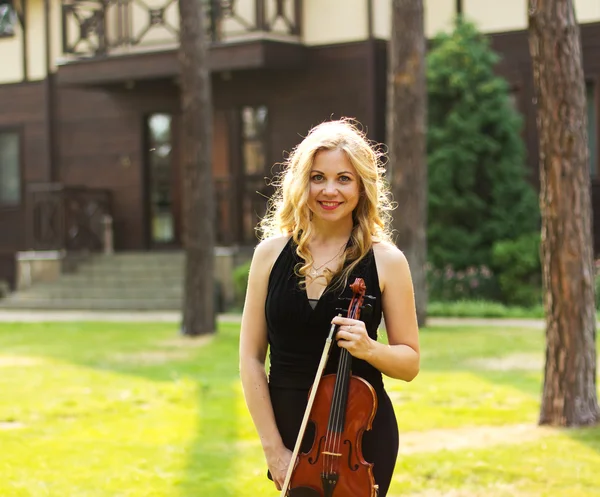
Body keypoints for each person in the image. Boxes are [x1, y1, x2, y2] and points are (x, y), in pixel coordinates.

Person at [239, 118, 420, 496]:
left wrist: (370, 349)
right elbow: (251, 359)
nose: (329, 190)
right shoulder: (269, 255)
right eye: (317, 177)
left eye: (344, 179)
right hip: (290, 431)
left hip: (359, 439)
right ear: (301, 182)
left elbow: (409, 363)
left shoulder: (387, 261)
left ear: (362, 187)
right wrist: (273, 449)